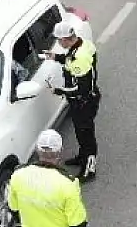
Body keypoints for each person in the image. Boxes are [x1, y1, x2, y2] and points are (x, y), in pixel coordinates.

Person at [40, 20, 101, 181]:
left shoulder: (79, 58)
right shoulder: (81, 45)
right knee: (81, 133)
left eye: (60, 41)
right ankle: (82, 157)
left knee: (87, 136)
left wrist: (58, 90)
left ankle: (90, 168)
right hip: (80, 101)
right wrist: (55, 57)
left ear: (66, 38)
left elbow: (81, 89)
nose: (59, 43)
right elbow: (69, 59)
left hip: (84, 101)